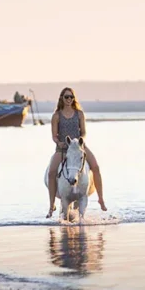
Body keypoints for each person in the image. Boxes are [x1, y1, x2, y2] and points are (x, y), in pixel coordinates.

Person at [46, 87, 107, 217]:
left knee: (95, 167)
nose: (69, 99)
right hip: (63, 148)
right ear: (62, 98)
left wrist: (80, 140)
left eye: (71, 97)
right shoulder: (56, 116)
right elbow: (54, 135)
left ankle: (101, 199)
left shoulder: (79, 114)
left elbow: (83, 132)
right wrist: (59, 142)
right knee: (51, 172)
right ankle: (51, 205)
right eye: (66, 97)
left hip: (79, 146)